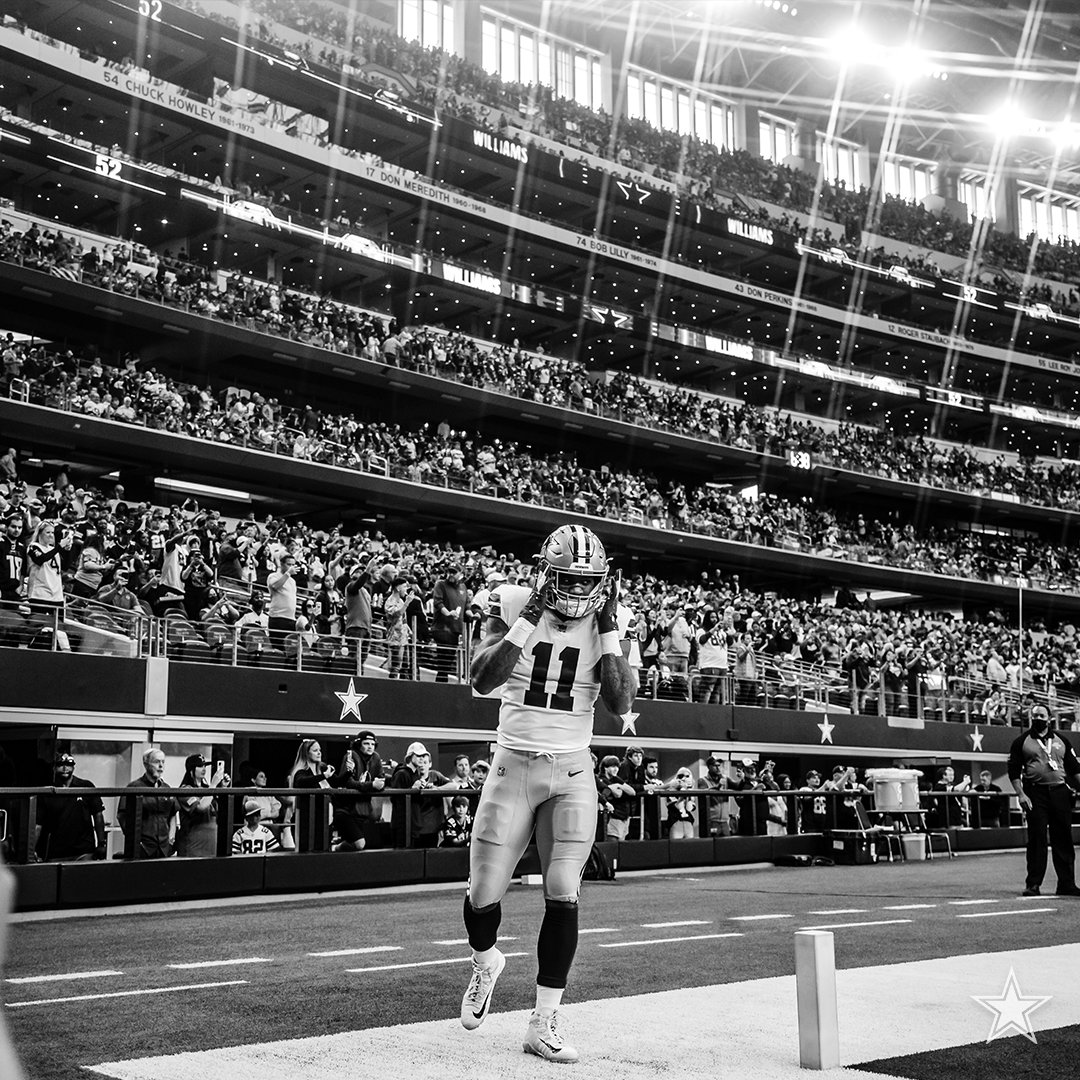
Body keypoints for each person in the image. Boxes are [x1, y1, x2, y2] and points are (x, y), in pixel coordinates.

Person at [461, 524, 635, 1063]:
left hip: (573, 768)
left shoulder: (613, 619)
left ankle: (544, 1018)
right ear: (546, 573)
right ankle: (486, 961)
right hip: (512, 761)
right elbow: (481, 680)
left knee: (564, 887)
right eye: (569, 579)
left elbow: (620, 700)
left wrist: (609, 631)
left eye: (589, 581)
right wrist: (528, 617)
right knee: (483, 890)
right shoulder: (512, 601)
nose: (579, 591)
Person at [1008, 705, 1080, 897]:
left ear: (1049, 718)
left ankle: (1067, 884)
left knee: (1063, 838)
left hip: (1059, 793)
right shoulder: (1021, 741)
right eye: (1035, 715)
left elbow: (1074, 769)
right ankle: (1033, 884)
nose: (1037, 718)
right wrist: (1021, 794)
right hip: (1035, 794)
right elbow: (1014, 771)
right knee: (1037, 838)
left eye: (1041, 715)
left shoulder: (1061, 740)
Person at [34, 753, 106, 861]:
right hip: (57, 852)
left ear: (73, 767)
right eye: (60, 765)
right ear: (54, 767)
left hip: (83, 850)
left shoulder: (86, 786)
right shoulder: (48, 792)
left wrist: (101, 843)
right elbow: (38, 825)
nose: (65, 768)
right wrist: (31, 849)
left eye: (68, 765)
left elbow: (98, 814)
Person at [118, 747, 180, 858]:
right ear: (146, 764)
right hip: (142, 849)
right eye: (157, 762)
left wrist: (171, 840)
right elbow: (122, 816)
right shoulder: (134, 787)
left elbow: (172, 814)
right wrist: (135, 842)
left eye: (163, 762)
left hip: (164, 849)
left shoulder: (167, 788)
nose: (161, 766)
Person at [390, 741, 455, 848]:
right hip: (403, 827)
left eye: (423, 756)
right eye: (418, 755)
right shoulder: (402, 774)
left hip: (414, 827)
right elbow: (396, 799)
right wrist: (412, 789)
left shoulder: (416, 775)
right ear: (410, 757)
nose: (421, 758)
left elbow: (453, 785)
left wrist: (435, 789)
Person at [331, 731, 386, 851]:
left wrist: (379, 784)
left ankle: (337, 848)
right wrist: (371, 785)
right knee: (360, 844)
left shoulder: (376, 757)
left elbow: (381, 779)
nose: (370, 746)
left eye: (372, 743)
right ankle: (335, 848)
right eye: (366, 743)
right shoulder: (351, 756)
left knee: (359, 846)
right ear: (359, 744)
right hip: (346, 810)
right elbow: (348, 782)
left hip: (363, 811)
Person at [176, 754, 229, 858]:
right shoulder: (185, 789)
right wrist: (213, 785)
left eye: (205, 766)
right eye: (200, 766)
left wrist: (222, 787)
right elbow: (201, 807)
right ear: (191, 769)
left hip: (212, 844)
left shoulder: (207, 789)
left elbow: (220, 811)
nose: (204, 769)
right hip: (193, 845)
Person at [288, 739, 337, 851]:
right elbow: (302, 781)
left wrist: (349, 770)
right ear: (306, 753)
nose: (319, 753)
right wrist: (323, 776)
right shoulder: (301, 772)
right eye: (315, 750)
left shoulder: (322, 770)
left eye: (320, 750)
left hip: (325, 820)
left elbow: (338, 781)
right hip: (307, 821)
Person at [597, 755, 636, 840]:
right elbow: (618, 794)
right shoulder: (601, 779)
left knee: (621, 846)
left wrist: (618, 785)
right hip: (612, 817)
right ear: (605, 768)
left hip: (624, 816)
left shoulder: (616, 779)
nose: (616, 769)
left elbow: (632, 792)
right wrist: (620, 788)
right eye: (613, 767)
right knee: (613, 843)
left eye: (617, 767)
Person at [665, 768, 697, 839]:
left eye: (687, 776)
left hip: (688, 821)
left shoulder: (691, 791)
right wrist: (682, 792)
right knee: (675, 847)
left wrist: (687, 791)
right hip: (676, 821)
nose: (684, 779)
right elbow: (678, 807)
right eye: (681, 776)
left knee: (690, 846)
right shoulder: (670, 791)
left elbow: (689, 808)